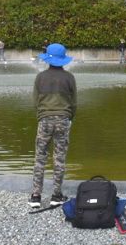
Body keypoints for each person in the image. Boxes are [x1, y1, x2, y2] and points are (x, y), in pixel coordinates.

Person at [30, 43, 77, 208]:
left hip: (44, 120)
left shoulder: (40, 77)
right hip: (63, 120)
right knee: (59, 158)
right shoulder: (69, 78)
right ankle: (56, 195)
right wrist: (69, 118)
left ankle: (36, 196)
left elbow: (35, 102)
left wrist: (41, 116)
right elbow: (74, 103)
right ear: (64, 60)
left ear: (48, 59)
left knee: (40, 156)